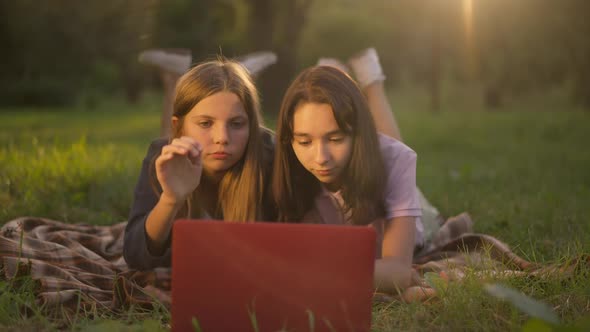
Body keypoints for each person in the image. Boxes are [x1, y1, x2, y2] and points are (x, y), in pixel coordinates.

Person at [272, 65, 423, 293]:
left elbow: (398, 272)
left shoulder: (397, 160)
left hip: (419, 223)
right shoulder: (285, 165)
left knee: (394, 158)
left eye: (335, 139)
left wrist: (310, 273)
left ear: (357, 134)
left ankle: (372, 82)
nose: (321, 158)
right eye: (304, 142)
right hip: (351, 253)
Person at [124, 58, 275, 270]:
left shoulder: (272, 157)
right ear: (180, 126)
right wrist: (170, 200)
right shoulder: (163, 160)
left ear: (252, 126)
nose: (222, 137)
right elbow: (135, 256)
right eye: (206, 123)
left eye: (237, 124)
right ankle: (173, 75)